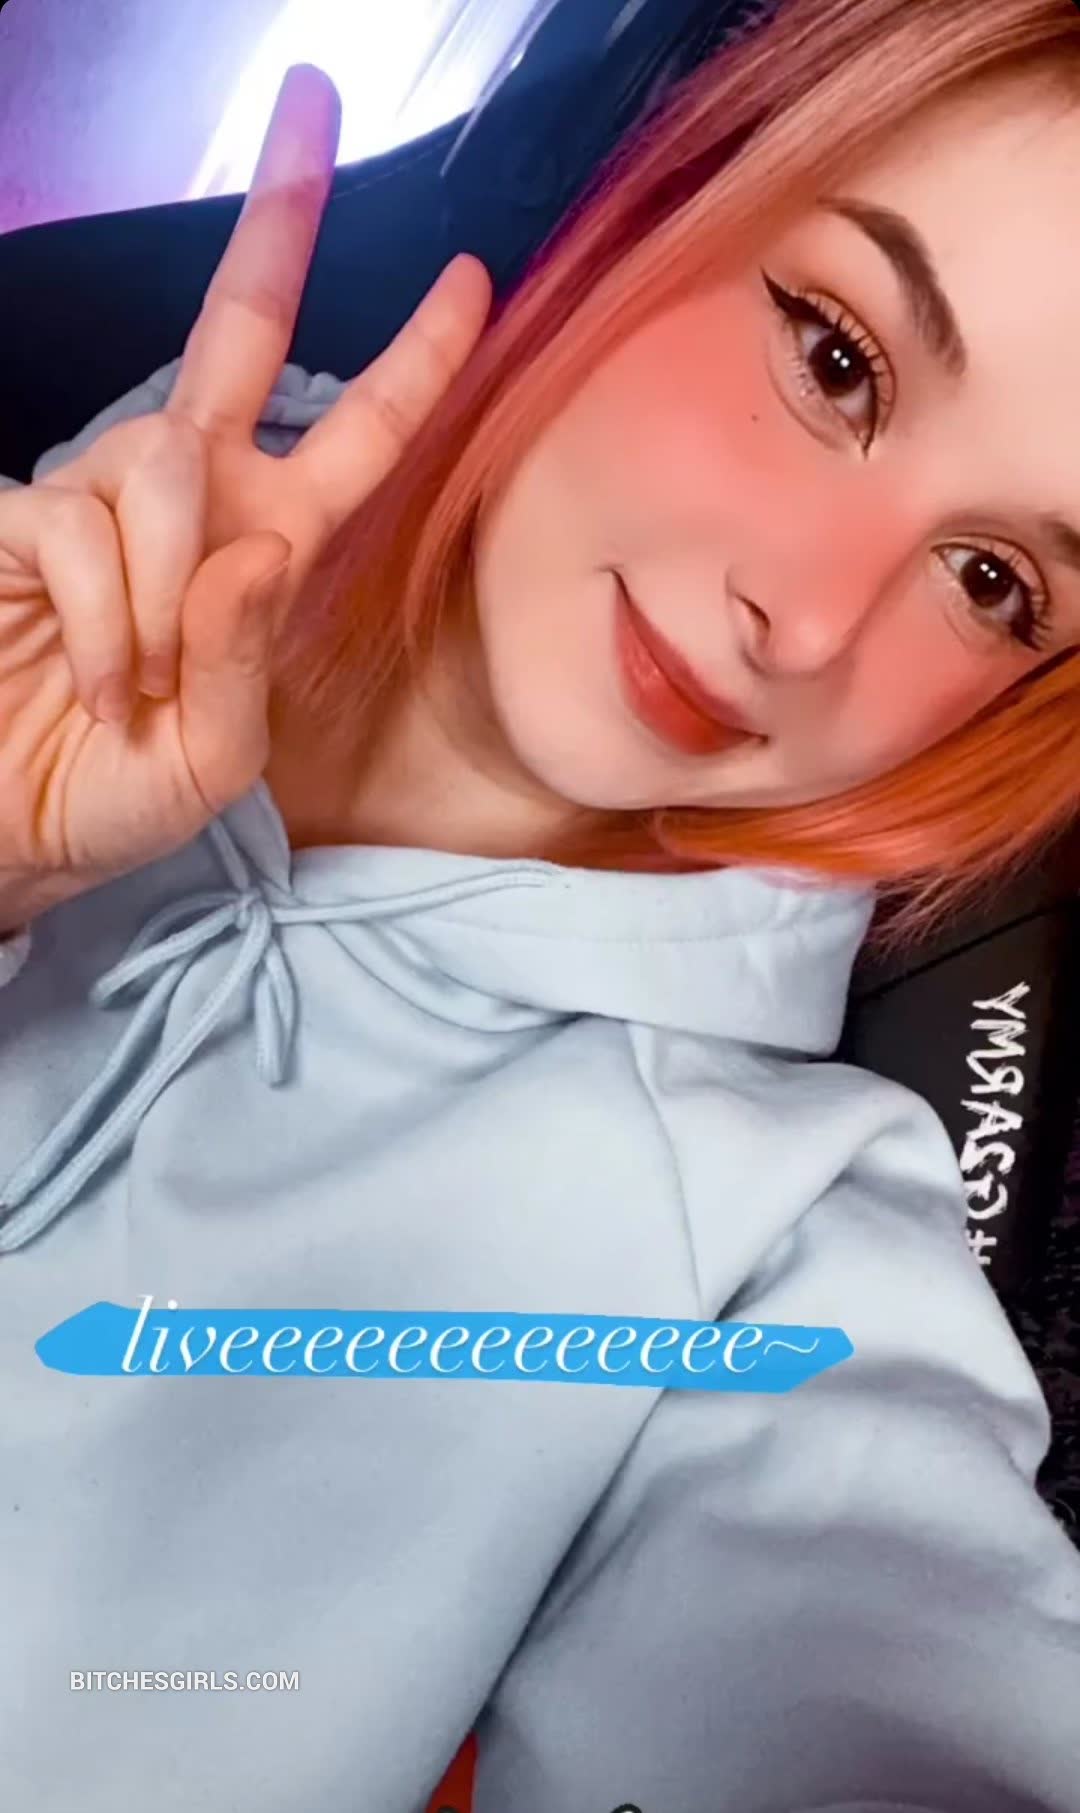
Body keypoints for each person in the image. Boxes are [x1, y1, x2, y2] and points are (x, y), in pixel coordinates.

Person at [1, 0, 1079, 1808]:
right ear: (664, 170)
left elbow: (877, 1667)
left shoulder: (772, 1240)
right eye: (836, 360)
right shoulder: (79, 523)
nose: (808, 624)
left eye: (990, 580)